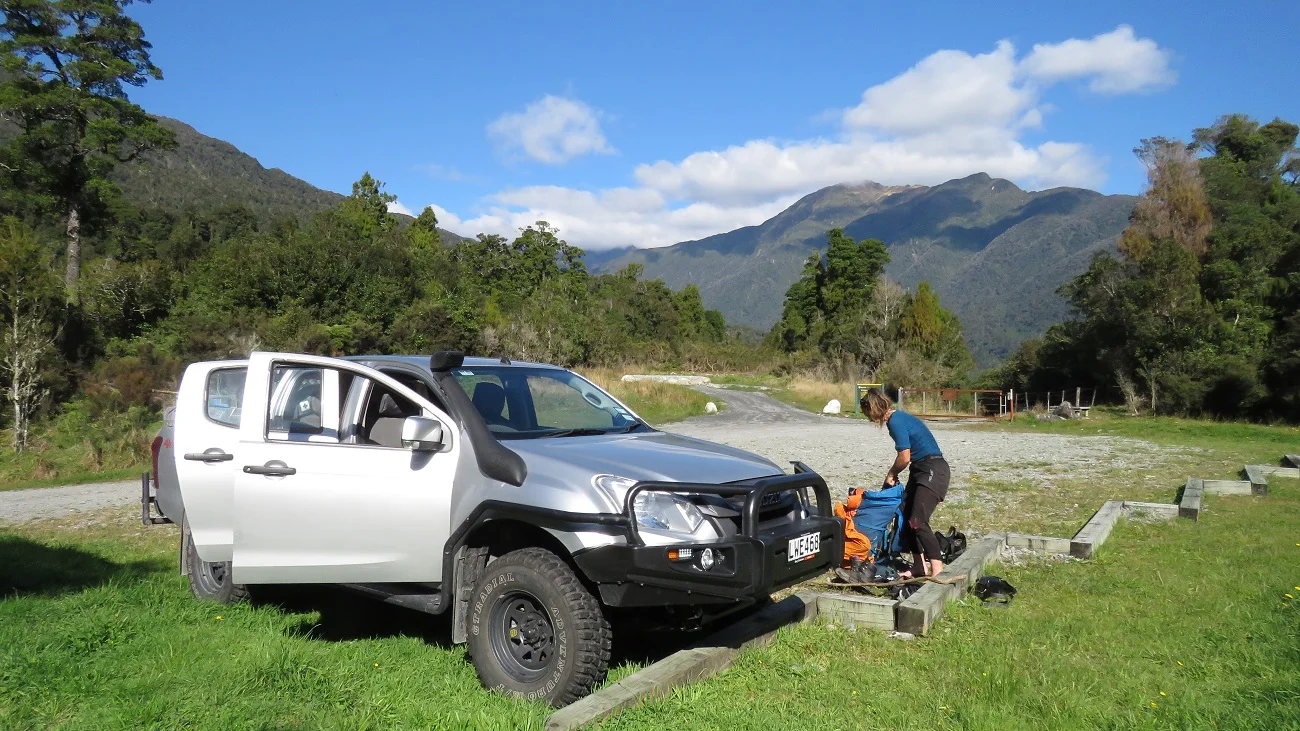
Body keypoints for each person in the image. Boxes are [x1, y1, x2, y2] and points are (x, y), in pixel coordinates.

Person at [860, 388, 951, 578]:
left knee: (917, 520)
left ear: (873, 407)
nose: (868, 418)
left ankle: (937, 570)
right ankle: (919, 566)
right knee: (905, 516)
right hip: (920, 470)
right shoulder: (896, 419)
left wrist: (891, 474)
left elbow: (904, 456)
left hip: (933, 469)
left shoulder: (895, 421)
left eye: (867, 413)